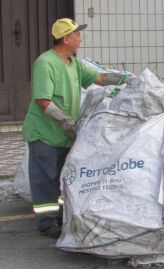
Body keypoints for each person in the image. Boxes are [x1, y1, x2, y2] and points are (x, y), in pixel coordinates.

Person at [22, 18, 129, 238]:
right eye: (77, 35)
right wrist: (64, 120)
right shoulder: (46, 63)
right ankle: (46, 223)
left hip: (64, 135)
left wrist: (123, 78)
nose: (80, 39)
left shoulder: (73, 63)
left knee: (62, 178)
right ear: (66, 38)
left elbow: (98, 78)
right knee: (46, 179)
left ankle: (61, 218)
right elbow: (43, 100)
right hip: (45, 133)